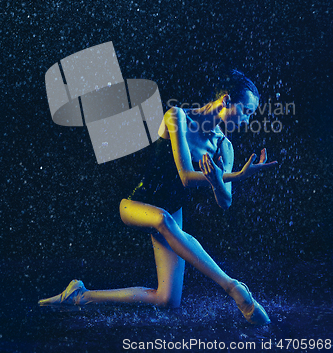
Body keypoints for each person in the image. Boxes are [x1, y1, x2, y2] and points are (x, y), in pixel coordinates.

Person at [38, 70, 277, 325]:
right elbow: (185, 175)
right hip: (136, 204)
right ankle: (233, 288)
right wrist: (237, 176)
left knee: (166, 300)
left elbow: (225, 201)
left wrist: (221, 181)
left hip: (170, 215)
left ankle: (81, 295)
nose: (247, 120)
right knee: (163, 219)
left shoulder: (223, 146)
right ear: (227, 101)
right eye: (247, 111)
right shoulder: (177, 117)